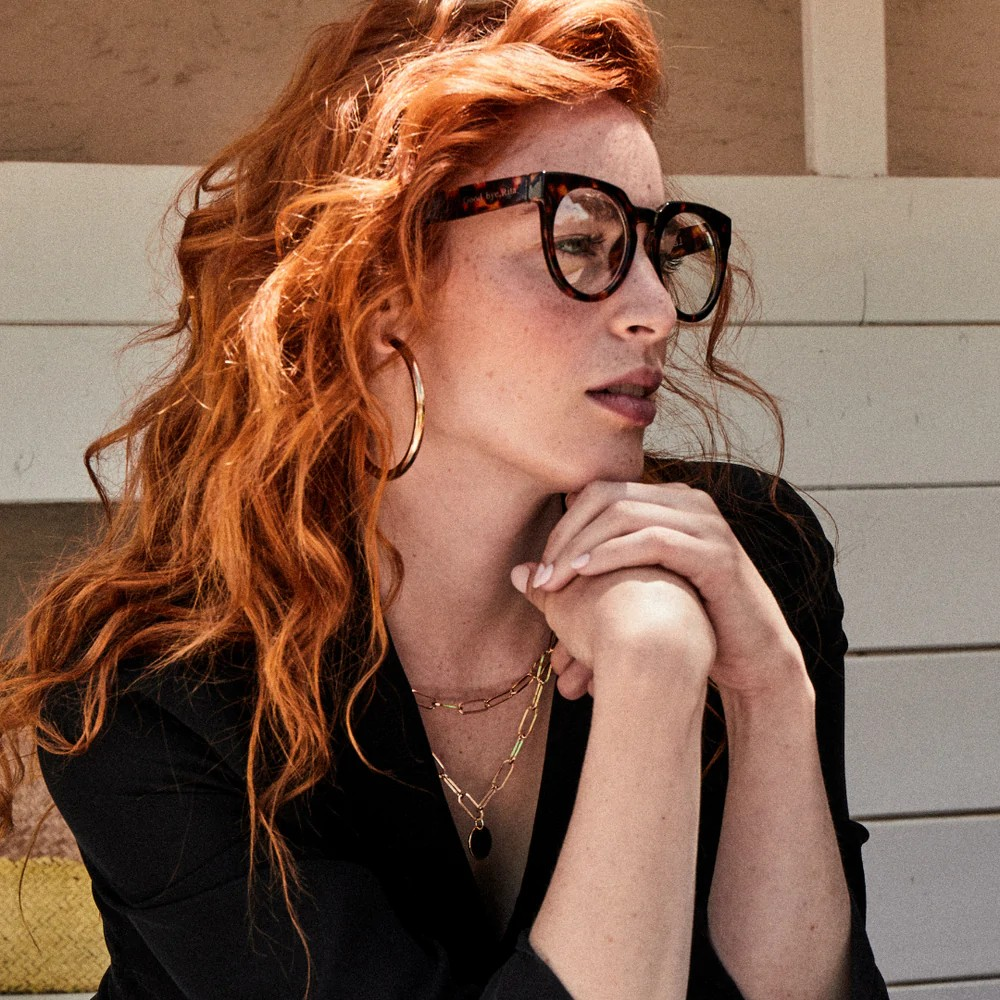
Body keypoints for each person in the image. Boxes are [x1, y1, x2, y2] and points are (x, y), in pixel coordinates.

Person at [0, 1, 891, 997]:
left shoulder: (743, 556)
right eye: (581, 240)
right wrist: (651, 675)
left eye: (660, 248)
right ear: (379, 292)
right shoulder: (158, 695)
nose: (653, 309)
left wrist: (769, 691)